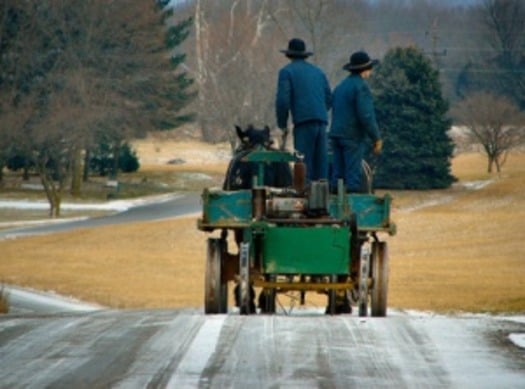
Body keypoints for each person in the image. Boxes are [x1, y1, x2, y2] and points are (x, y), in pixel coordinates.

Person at [275, 38, 332, 183]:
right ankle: (322, 200)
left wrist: (282, 124)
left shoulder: (286, 72)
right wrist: (318, 111)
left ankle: (306, 199)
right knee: (321, 168)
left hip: (303, 123)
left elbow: (283, 101)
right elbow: (329, 99)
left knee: (303, 167)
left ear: (289, 55)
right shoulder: (319, 72)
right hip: (322, 122)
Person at [329, 50, 383, 194]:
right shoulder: (361, 87)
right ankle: (352, 208)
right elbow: (366, 115)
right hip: (352, 136)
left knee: (337, 175)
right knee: (353, 177)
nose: (371, 72)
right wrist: (376, 137)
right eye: (370, 68)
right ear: (364, 70)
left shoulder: (341, 86)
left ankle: (334, 205)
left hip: (335, 134)